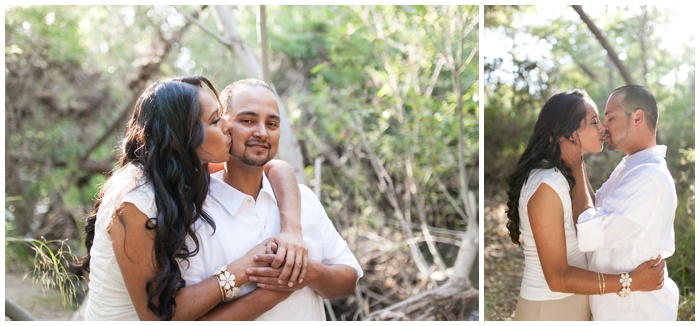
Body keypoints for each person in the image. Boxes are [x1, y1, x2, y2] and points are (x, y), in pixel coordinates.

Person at [80, 76, 307, 320]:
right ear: (183, 135)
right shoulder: (133, 201)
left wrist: (291, 231)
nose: (227, 126)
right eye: (215, 120)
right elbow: (158, 317)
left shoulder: (177, 167)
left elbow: (276, 167)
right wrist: (247, 273)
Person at [179, 78, 363, 320]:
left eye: (272, 124)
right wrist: (273, 293)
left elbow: (348, 279)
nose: (262, 133)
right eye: (248, 120)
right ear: (224, 125)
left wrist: (311, 274)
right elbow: (186, 317)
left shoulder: (302, 199)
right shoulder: (195, 213)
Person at [505, 89, 665, 321]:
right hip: (549, 310)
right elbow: (557, 278)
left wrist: (577, 162)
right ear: (568, 133)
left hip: (575, 302)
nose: (602, 127)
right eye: (594, 121)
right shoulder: (546, 185)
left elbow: (593, 214)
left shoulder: (564, 176)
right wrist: (631, 282)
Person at [560, 85, 679, 320]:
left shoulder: (649, 178)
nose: (604, 127)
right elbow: (593, 207)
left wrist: (575, 166)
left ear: (637, 118)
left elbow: (590, 233)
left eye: (610, 118)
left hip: (636, 313)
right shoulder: (630, 167)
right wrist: (579, 160)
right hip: (617, 309)